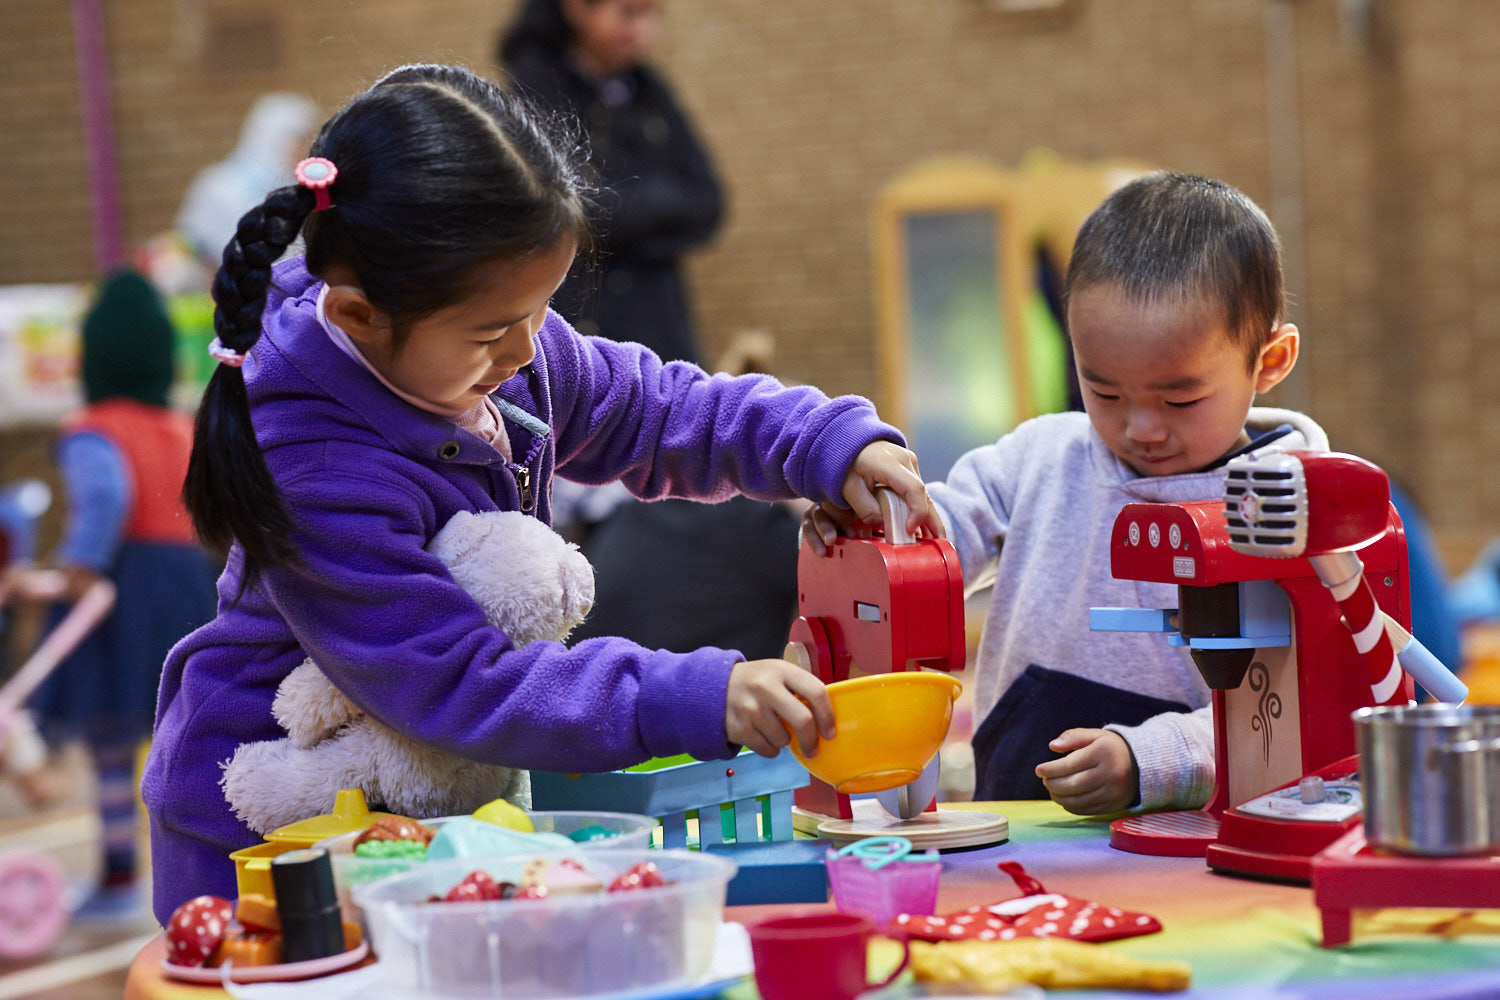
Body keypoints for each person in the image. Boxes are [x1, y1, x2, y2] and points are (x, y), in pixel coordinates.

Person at [141, 63, 939, 924]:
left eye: (542, 309)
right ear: (358, 318)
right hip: (262, 834)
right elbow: (460, 681)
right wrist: (693, 694)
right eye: (493, 331)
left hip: (414, 810)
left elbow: (656, 407)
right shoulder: (315, 464)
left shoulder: (497, 360)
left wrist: (821, 445)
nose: (528, 350)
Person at [807, 172, 1322, 816]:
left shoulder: (1289, 508)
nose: (1140, 427)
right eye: (1102, 390)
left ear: (1270, 361)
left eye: (1180, 398)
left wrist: (1149, 760)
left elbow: (1289, 713)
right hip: (1015, 816)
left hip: (1189, 840)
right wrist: (865, 535)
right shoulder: (1040, 458)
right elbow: (929, 539)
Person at [27, 269, 218, 907]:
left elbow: (105, 496)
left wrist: (80, 562)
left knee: (109, 733)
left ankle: (116, 876)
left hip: (121, 586)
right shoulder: (181, 426)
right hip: (189, 582)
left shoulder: (92, 427)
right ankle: (203, 868)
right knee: (186, 729)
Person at [497, 0, 723, 366]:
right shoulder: (537, 86)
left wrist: (623, 207)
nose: (642, 30)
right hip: (582, 324)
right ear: (577, 8)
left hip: (660, 323)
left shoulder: (650, 91)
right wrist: (659, 207)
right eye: (629, 12)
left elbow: (707, 201)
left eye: (652, 15)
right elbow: (564, 210)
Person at [174, 92, 320, 273]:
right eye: (299, 141)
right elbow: (189, 245)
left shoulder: (305, 192)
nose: (305, 150)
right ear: (273, 139)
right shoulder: (216, 184)